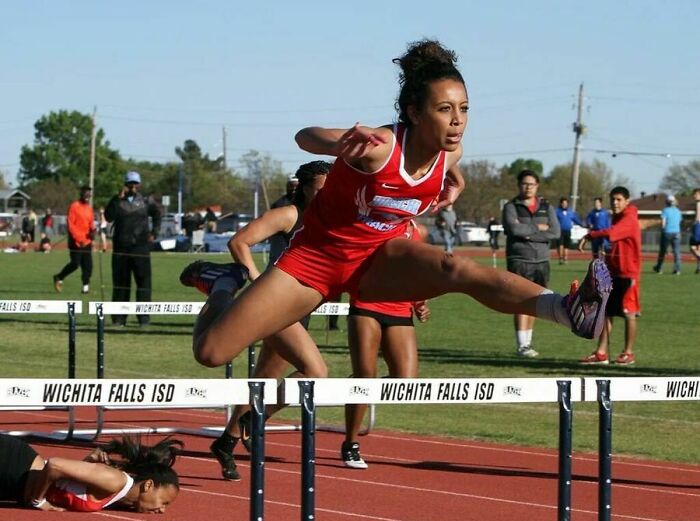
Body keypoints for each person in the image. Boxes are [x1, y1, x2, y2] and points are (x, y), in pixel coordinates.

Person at [179, 39, 610, 435]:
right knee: (213, 352)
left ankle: (568, 310)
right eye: (445, 110)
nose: (457, 121)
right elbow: (303, 137)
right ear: (413, 112)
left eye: (464, 109)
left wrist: (453, 176)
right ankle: (219, 285)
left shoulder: (451, 151)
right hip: (314, 261)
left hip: (376, 260)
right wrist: (339, 142)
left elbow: (440, 164)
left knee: (453, 267)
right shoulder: (381, 146)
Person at [205, 160, 331, 481]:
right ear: (304, 188)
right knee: (315, 371)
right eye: (321, 188)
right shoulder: (290, 214)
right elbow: (239, 241)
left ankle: (226, 442)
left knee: (263, 381)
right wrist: (258, 281)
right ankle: (256, 421)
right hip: (276, 307)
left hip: (300, 309)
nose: (328, 194)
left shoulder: (330, 219)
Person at [342, 221, 430, 469]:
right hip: (366, 304)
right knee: (365, 376)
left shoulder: (418, 231)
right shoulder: (369, 223)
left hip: (400, 307)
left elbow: (416, 269)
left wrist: (419, 302)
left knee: (406, 381)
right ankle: (350, 442)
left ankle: (354, 389)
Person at [0, 434, 180, 513]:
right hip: (12, 465)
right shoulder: (115, 481)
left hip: (13, 485)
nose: (162, 510)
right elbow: (54, 466)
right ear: (148, 485)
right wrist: (38, 502)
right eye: (164, 501)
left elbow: (72, 486)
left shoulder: (119, 496)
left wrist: (87, 462)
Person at [579, 186, 641, 365]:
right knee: (606, 312)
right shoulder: (618, 216)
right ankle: (601, 353)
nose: (615, 203)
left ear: (627, 201)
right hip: (614, 272)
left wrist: (590, 235)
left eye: (619, 199)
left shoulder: (629, 217)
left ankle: (628, 353)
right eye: (613, 199)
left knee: (629, 313)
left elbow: (613, 233)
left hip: (629, 273)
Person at [502, 170, 560, 358]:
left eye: (532, 184)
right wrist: (537, 229)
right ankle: (522, 345)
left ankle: (529, 342)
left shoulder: (546, 207)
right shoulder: (511, 206)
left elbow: (555, 232)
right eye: (524, 184)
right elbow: (513, 228)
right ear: (519, 186)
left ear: (537, 186)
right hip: (520, 260)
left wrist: (527, 232)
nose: (528, 187)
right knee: (520, 301)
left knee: (536, 302)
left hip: (542, 261)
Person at [104, 171, 162, 326]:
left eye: (135, 184)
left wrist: (154, 232)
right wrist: (117, 198)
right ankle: (119, 318)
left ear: (139, 184)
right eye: (130, 183)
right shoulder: (117, 200)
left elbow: (158, 214)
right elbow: (108, 216)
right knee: (121, 283)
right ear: (125, 184)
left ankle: (143, 318)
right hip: (121, 247)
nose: (133, 187)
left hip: (140, 247)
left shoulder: (146, 201)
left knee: (143, 283)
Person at [52, 186, 95, 294]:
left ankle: (85, 287)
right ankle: (59, 277)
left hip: (87, 241)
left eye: (89, 194)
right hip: (75, 242)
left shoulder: (89, 208)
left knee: (88, 266)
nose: (87, 195)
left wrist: (93, 231)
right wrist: (78, 238)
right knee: (75, 263)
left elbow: (91, 223)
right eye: (86, 193)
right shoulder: (74, 206)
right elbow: (71, 225)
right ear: (81, 194)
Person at [653, 194, 683, 275]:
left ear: (666, 202)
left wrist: (662, 230)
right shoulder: (678, 211)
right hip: (677, 232)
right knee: (676, 251)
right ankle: (677, 270)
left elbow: (663, 223)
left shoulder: (665, 210)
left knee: (662, 251)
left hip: (667, 232)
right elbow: (679, 221)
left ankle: (659, 268)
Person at [555, 197, 583, 264]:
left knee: (566, 245)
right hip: (560, 231)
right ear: (561, 203)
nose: (564, 204)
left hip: (568, 231)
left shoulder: (570, 211)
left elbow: (575, 219)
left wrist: (581, 224)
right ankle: (560, 258)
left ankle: (565, 258)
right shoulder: (557, 211)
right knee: (560, 244)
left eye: (566, 203)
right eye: (563, 203)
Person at [691, 188, 700, 274]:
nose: (694, 196)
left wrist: (693, 224)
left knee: (693, 247)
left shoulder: (698, 203)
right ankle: (698, 267)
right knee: (698, 248)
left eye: (696, 194)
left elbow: (697, 217)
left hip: (698, 226)